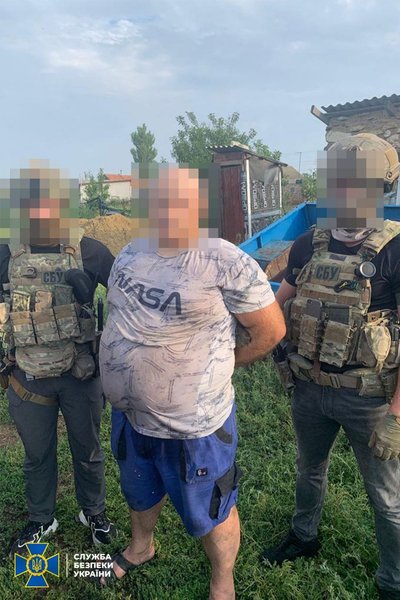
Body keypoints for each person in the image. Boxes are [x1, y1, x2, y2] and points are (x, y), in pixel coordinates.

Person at [99, 164, 286, 599]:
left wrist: (220, 368)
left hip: (193, 429)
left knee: (212, 509)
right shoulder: (131, 251)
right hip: (130, 416)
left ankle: (222, 580)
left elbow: (271, 331)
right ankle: (141, 547)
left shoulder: (225, 261)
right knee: (138, 490)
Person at [261, 134, 400, 600]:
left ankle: (393, 581)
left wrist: (397, 416)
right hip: (310, 390)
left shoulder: (395, 250)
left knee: (387, 497)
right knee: (309, 470)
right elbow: (278, 306)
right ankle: (304, 536)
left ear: (381, 188)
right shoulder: (308, 244)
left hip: (369, 400)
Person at [0, 162, 117, 557]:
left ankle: (94, 512)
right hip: (27, 376)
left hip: (79, 373)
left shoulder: (88, 251)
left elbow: (126, 296)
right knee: (37, 455)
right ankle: (41, 518)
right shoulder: (6, 253)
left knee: (89, 450)